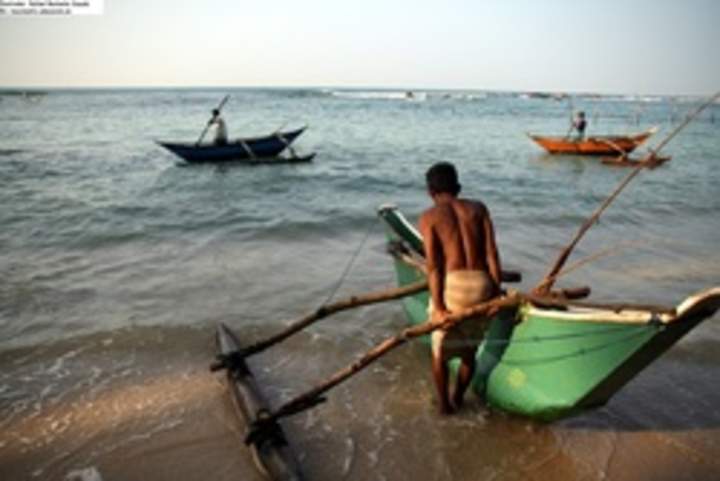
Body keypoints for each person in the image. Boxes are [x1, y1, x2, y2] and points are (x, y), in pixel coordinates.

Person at [418, 162, 502, 414]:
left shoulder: (429, 217)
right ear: (458, 187)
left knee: (439, 351)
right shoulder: (478, 208)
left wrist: (440, 308)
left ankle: (445, 406)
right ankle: (458, 398)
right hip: (482, 285)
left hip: (453, 287)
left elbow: (433, 267)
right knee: (469, 352)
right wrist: (496, 294)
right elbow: (491, 254)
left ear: (431, 192)